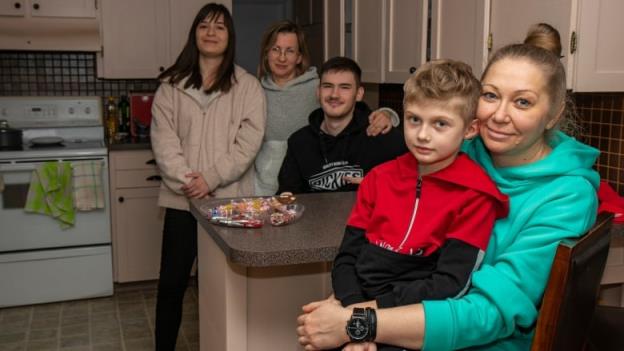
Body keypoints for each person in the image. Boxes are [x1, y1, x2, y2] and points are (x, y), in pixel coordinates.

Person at [297, 24, 600, 351]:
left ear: (554, 114)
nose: (498, 115)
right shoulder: (456, 153)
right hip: (399, 325)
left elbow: (490, 315)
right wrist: (346, 303)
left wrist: (356, 323)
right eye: (491, 95)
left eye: (523, 102)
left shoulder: (567, 195)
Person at [331, 60, 509, 350]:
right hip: (356, 309)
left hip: (412, 324)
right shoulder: (378, 178)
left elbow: (448, 283)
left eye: (440, 123)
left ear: (470, 129)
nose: (423, 134)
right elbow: (347, 258)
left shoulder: (476, 195)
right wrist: (353, 314)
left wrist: (362, 320)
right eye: (414, 119)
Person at [150, 3, 266, 350]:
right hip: (182, 202)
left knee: (222, 287)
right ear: (194, 34)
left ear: (229, 37)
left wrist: (211, 178)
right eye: (204, 26)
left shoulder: (247, 86)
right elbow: (163, 138)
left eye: (219, 27)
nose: (211, 33)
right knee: (171, 284)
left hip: (228, 204)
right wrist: (189, 180)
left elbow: (249, 141)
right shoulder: (170, 85)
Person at [255, 21, 399, 195]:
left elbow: (413, 180)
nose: (334, 94)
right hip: (268, 185)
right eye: (276, 49)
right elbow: (288, 194)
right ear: (319, 91)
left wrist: (387, 115)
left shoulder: (375, 135)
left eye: (290, 50)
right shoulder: (254, 93)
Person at [277, 56, 407, 194]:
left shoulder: (381, 135)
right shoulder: (299, 142)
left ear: (359, 94)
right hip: (316, 215)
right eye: (328, 86)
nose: (334, 95)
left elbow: (410, 188)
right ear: (318, 92)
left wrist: (377, 185)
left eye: (344, 87)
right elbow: (286, 196)